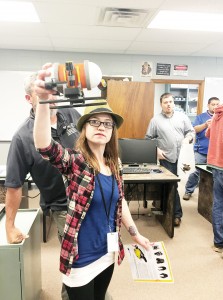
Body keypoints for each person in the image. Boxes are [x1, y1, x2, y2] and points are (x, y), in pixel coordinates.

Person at [33, 68, 151, 300]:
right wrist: (44, 103)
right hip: (80, 256)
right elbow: (45, 146)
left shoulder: (113, 162)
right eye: (94, 122)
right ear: (84, 128)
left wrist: (134, 233)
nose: (101, 127)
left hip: (108, 251)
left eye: (107, 124)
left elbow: (120, 200)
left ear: (112, 133)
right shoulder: (76, 162)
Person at [4, 72, 80, 300]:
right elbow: (14, 185)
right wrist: (10, 225)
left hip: (90, 196)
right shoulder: (22, 138)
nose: (52, 98)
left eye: (54, 91)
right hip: (63, 207)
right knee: (74, 259)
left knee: (97, 253)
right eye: (43, 94)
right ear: (29, 99)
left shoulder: (71, 114)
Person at [145, 92, 195, 227]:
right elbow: (148, 139)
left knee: (177, 184)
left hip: (183, 157)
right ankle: (176, 214)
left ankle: (165, 207)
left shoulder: (182, 117)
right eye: (165, 102)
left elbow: (191, 131)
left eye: (170, 102)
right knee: (172, 185)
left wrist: (188, 138)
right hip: (166, 157)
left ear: (174, 103)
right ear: (161, 104)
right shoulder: (155, 120)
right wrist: (156, 150)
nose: (168, 104)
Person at [183, 97, 220, 200]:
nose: (215, 106)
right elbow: (194, 129)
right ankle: (188, 190)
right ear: (208, 105)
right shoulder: (201, 117)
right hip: (201, 150)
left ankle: (211, 196)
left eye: (217, 104)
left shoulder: (221, 117)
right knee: (196, 172)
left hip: (216, 152)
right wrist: (205, 125)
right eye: (213, 104)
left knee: (215, 174)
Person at [205, 103, 223, 259]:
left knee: (218, 204)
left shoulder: (217, 115)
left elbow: (208, 134)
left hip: (216, 165)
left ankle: (219, 243)